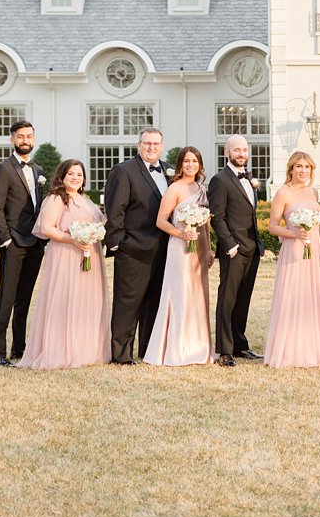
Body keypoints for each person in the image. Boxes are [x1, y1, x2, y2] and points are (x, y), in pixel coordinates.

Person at [20, 159, 109, 369]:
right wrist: (74, 240)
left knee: (86, 302)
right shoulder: (55, 199)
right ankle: (62, 349)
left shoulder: (85, 200)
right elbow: (47, 228)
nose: (76, 178)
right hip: (66, 255)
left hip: (89, 255)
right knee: (66, 299)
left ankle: (87, 349)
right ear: (62, 176)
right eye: (71, 174)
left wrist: (93, 235)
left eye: (79, 174)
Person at [263, 151, 320, 368]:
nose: (303, 171)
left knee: (312, 298)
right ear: (291, 169)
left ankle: (314, 349)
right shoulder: (283, 193)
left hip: (312, 253)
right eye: (299, 167)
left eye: (307, 167)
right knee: (293, 297)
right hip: (293, 251)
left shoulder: (313, 192)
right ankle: (290, 352)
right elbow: (273, 227)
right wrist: (294, 234)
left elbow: (318, 230)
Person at [104, 128, 170, 364]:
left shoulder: (169, 170)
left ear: (162, 146)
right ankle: (121, 354)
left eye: (156, 143)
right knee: (127, 303)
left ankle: (147, 351)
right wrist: (119, 244)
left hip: (164, 250)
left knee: (154, 302)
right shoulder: (124, 171)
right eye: (147, 143)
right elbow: (114, 211)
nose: (151, 147)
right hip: (133, 250)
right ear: (138, 145)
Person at [144, 146, 214, 366]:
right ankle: (177, 349)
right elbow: (161, 221)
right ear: (180, 165)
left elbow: (207, 224)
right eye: (186, 161)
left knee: (198, 295)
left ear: (200, 165)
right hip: (180, 248)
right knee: (181, 294)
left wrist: (210, 249)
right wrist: (181, 234)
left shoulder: (201, 189)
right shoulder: (174, 188)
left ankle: (198, 346)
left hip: (200, 248)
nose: (191, 165)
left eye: (194, 161)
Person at [0, 119, 46, 367]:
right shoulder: (2, 169)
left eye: (29, 136)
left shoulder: (39, 170)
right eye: (20, 136)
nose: (25, 140)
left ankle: (19, 348)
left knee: (24, 298)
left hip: (35, 244)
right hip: (14, 243)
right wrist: (6, 240)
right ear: (12, 140)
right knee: (7, 297)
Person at [208, 134, 265, 366]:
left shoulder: (249, 178)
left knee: (243, 299)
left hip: (252, 248)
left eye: (244, 150)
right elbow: (217, 218)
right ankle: (225, 351)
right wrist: (230, 245)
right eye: (236, 150)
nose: (241, 154)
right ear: (226, 153)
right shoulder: (219, 180)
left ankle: (240, 346)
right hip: (234, 249)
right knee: (227, 299)